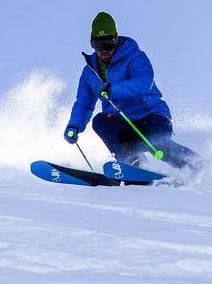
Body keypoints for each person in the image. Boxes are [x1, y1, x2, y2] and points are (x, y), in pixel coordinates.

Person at [63, 12, 201, 171]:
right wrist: (74, 125)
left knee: (157, 145)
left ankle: (197, 167)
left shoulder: (135, 57)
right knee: (100, 121)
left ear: (116, 40)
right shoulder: (89, 73)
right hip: (122, 124)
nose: (103, 50)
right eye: (98, 44)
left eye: (108, 43)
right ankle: (133, 165)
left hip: (151, 116)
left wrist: (112, 89)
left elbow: (143, 83)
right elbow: (84, 104)